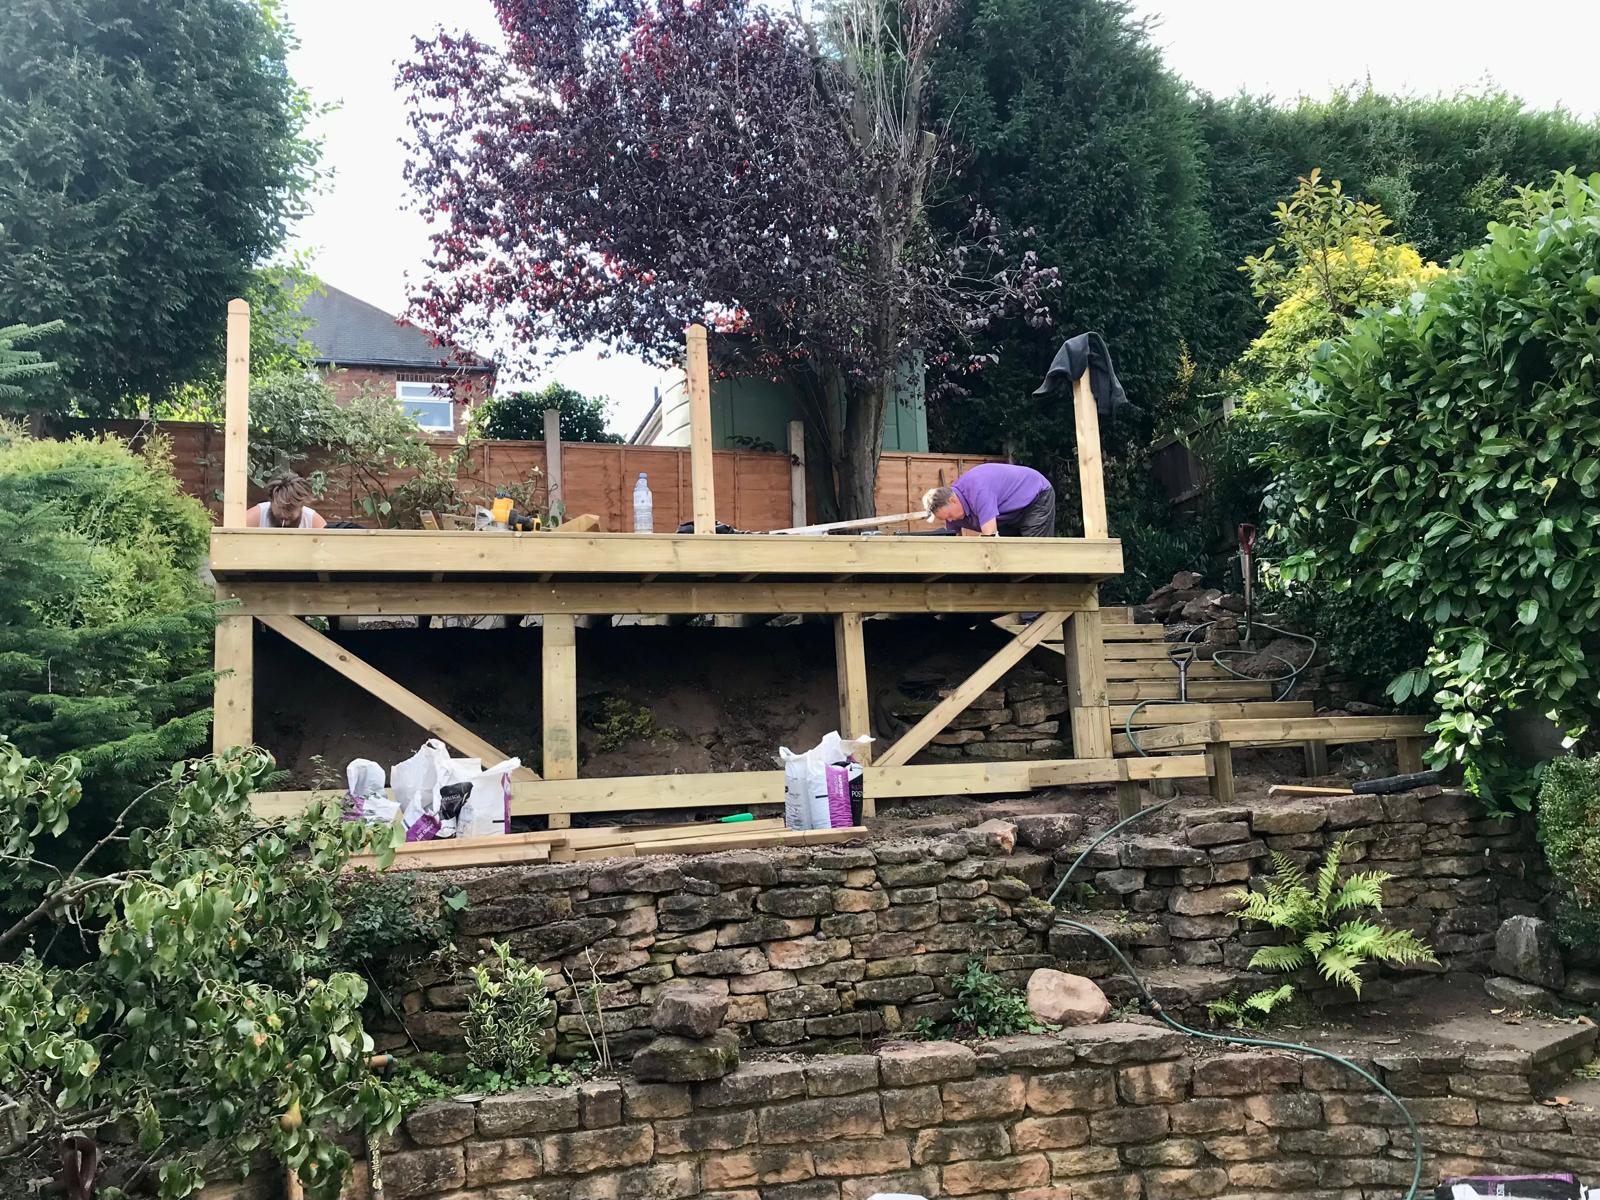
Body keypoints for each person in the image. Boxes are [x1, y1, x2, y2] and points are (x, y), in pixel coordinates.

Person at [923, 463, 1055, 537]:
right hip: (1010, 512)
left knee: (1032, 551)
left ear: (953, 500)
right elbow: (950, 543)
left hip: (1035, 495)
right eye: (946, 519)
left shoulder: (978, 491)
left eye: (949, 516)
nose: (950, 521)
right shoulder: (952, 513)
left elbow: (990, 536)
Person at [245, 470, 328, 528]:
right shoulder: (256, 516)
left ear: (301, 505)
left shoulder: (313, 521)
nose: (284, 514)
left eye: (290, 508)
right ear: (271, 501)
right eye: (281, 507)